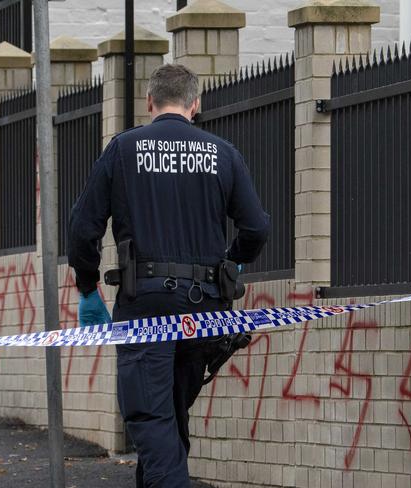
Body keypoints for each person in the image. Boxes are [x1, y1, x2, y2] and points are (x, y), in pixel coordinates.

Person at [67, 64, 270, 488]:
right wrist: (233, 263)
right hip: (206, 312)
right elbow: (256, 227)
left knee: (153, 419)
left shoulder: (123, 150)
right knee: (171, 419)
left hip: (146, 306)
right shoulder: (222, 153)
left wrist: (88, 290)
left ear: (149, 102)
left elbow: (83, 227)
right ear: (195, 104)